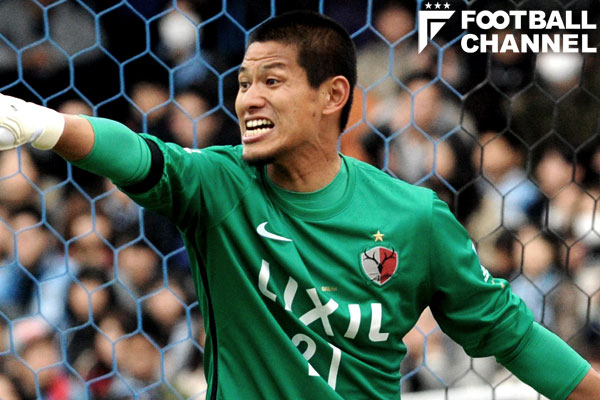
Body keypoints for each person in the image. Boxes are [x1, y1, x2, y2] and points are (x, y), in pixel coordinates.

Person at [0, 10, 599, 400]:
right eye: (243, 83)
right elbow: (136, 154)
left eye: (272, 80)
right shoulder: (219, 184)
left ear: (332, 95)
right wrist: (40, 124)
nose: (248, 99)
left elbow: (513, 336)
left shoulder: (415, 217)